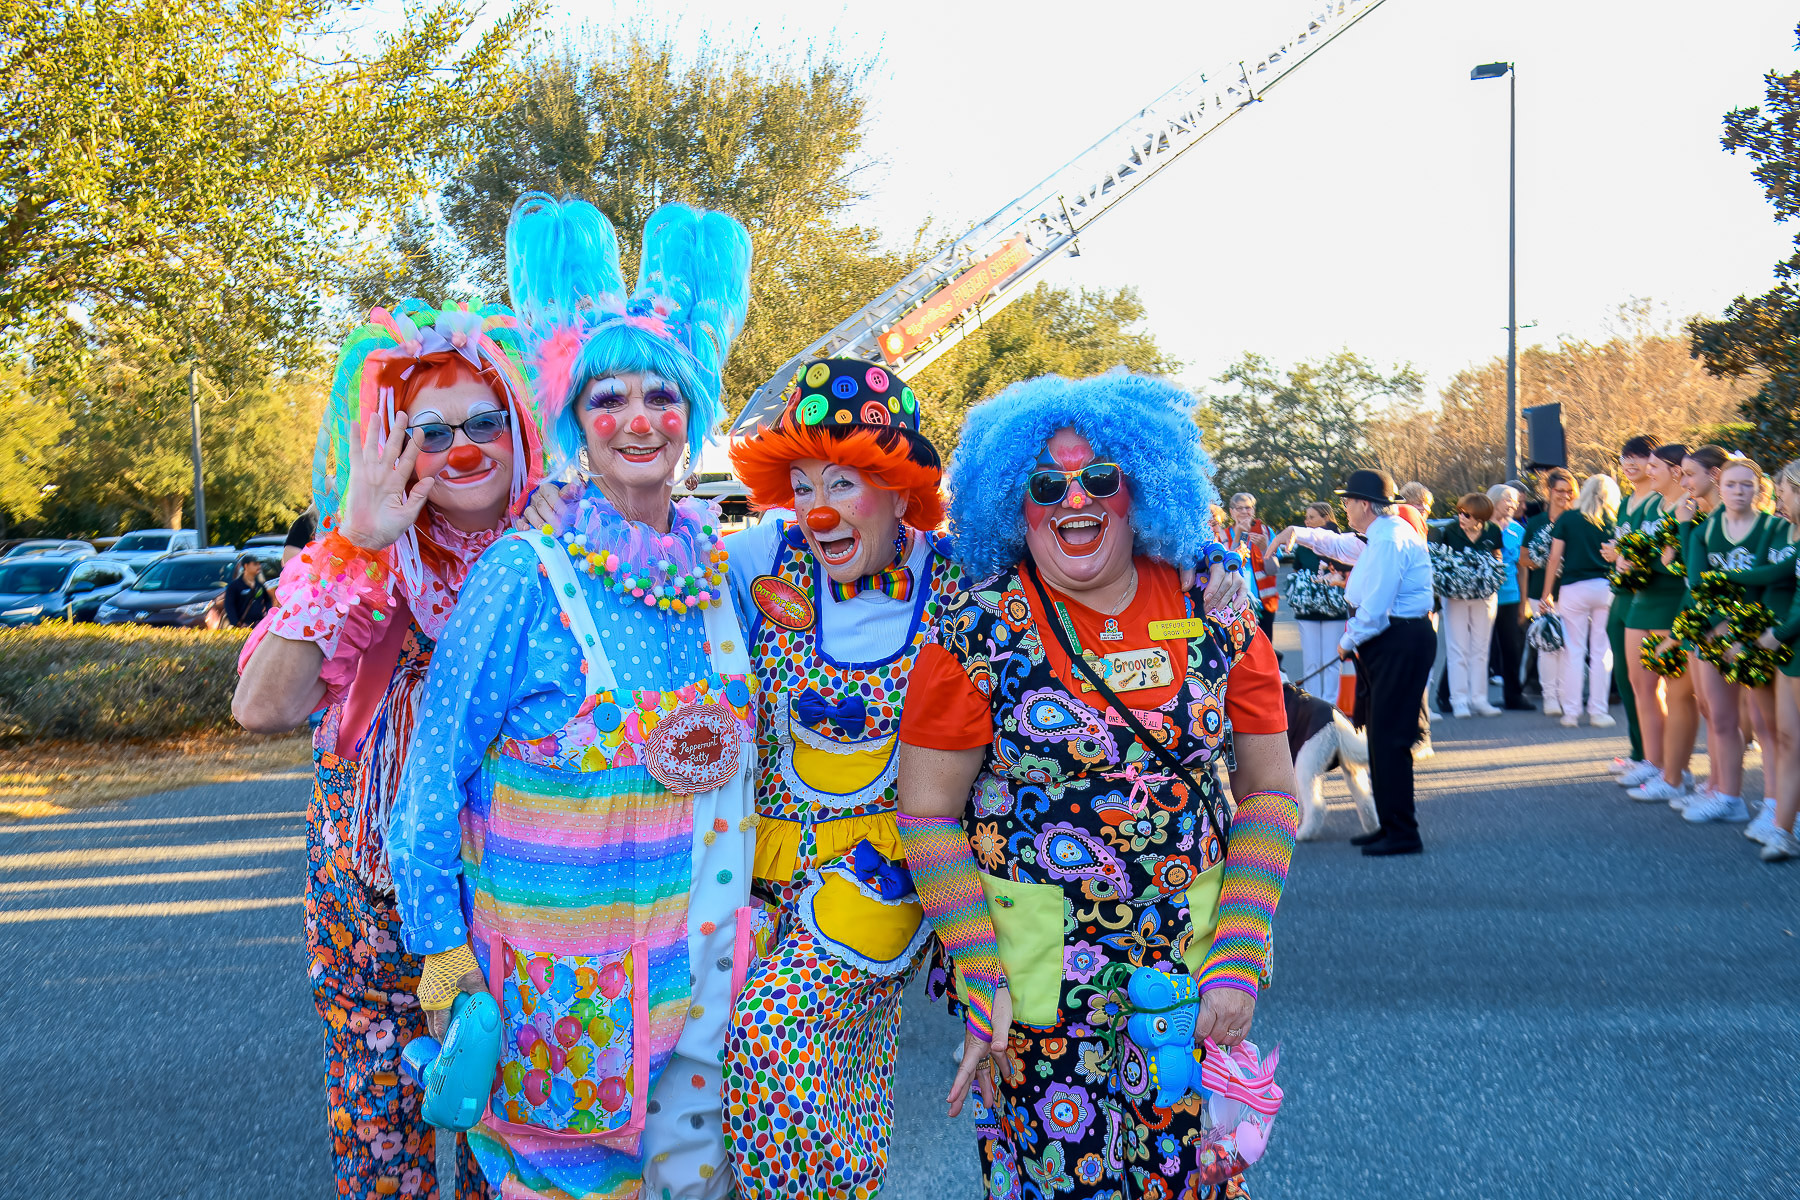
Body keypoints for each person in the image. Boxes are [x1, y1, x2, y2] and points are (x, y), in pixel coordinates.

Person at [387, 194, 754, 1200]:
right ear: (574, 422)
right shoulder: (523, 574)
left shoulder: (720, 577)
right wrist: (443, 956)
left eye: (661, 395)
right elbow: (429, 780)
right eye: (607, 398)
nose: (637, 419)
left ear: (692, 415)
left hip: (700, 1001)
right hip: (558, 1010)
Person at [894, 369, 1295, 1199]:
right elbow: (927, 815)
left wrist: (1238, 951)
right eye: (1046, 484)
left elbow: (1270, 792)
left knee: (1191, 1180)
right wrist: (979, 969)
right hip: (1037, 995)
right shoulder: (972, 631)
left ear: (1140, 487)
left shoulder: (1217, 608)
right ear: (1014, 503)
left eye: (1100, 478)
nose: (1074, 499)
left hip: (1192, 972)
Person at [232, 298, 547, 1199]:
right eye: (429, 432)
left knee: (512, 1152)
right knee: (380, 1158)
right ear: (391, 447)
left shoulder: (563, 560)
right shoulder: (362, 563)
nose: (462, 448)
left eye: (484, 422)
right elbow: (262, 707)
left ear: (522, 427)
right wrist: (357, 542)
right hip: (367, 903)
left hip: (517, 901)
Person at [1677, 456, 1785, 826]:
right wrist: (1717, 624)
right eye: (1732, 484)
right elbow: (1697, 583)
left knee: (1767, 726)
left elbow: (1776, 582)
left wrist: (1743, 630)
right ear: (1719, 487)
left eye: (1747, 485)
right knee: (1721, 719)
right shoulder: (1707, 530)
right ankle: (1729, 797)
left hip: (1758, 638)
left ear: (1759, 489)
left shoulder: (1774, 527)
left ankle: (1776, 804)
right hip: (1715, 634)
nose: (1739, 491)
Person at [1333, 469, 1435, 854]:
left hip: (1399, 638)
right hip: (1393, 639)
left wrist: (1348, 641)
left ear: (1364, 504)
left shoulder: (1390, 538)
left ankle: (1403, 832)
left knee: (1390, 739)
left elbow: (1376, 608)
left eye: (1348, 501)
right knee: (1379, 737)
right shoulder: (1381, 535)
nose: (1345, 507)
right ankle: (1390, 824)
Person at [1629, 445, 1725, 805]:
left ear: (1713, 476)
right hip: (1691, 614)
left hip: (1715, 619)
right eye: (1683, 475)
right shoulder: (1694, 513)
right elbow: (1688, 574)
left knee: (1709, 707)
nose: (1685, 482)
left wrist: (1679, 534)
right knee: (1703, 706)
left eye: (1689, 475)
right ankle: (1704, 783)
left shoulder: (1705, 517)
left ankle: (1700, 782)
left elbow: (1690, 571)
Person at [1618, 445, 1689, 792]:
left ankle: (1677, 770)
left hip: (1670, 603)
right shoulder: (1649, 505)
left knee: (1675, 693)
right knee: (1641, 686)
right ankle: (1652, 761)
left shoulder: (1688, 507)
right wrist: (1623, 558)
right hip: (1640, 600)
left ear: (1675, 471)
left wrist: (1644, 558)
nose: (1648, 470)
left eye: (1655, 466)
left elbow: (1675, 561)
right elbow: (1635, 546)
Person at [1541, 474, 1622, 728]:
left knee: (1573, 651)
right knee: (1601, 650)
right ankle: (1598, 711)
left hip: (1573, 588)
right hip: (1606, 587)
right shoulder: (1614, 520)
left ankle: (1571, 713)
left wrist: (1547, 592)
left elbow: (1554, 558)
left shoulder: (1568, 518)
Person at [1750, 459, 1800, 861]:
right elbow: (1770, 576)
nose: (1778, 500)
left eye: (1783, 493)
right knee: (1787, 739)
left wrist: (1778, 634)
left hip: (1790, 642)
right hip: (1791, 650)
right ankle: (1783, 829)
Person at [1602, 437, 1659, 765]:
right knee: (1626, 680)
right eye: (1626, 457)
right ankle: (1639, 752)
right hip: (1622, 596)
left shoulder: (1661, 501)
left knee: (1652, 685)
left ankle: (1657, 759)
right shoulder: (1625, 503)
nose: (1630, 463)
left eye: (1639, 456)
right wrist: (1615, 553)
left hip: (1652, 597)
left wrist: (1622, 553)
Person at [1435, 491, 1504, 718]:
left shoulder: (1492, 531)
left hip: (1484, 595)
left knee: (1481, 648)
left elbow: (1497, 556)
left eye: (1467, 514)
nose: (1461, 517)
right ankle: (1459, 701)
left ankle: (1479, 699)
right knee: (1457, 648)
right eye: (1460, 512)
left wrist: (1493, 571)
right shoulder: (1450, 531)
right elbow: (1441, 562)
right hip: (1455, 597)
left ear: (1480, 517)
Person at [1276, 500, 1351, 700]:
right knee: (1311, 661)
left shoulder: (1340, 543)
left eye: (1312, 517)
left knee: (1331, 660)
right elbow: (1296, 573)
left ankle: (1331, 705)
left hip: (1334, 610)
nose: (1307, 521)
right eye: (1306, 517)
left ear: (1326, 518)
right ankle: (1313, 703)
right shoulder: (1302, 547)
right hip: (1307, 611)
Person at [1521, 469, 1576, 716]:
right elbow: (1523, 559)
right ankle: (1550, 697)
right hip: (1540, 593)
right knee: (1548, 646)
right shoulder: (1536, 522)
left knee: (1568, 647)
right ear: (1549, 491)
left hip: (1571, 590)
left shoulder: (1577, 519)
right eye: (1559, 490)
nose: (1565, 495)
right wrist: (1547, 559)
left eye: (1569, 491)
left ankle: (1566, 695)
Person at [1487, 483, 1532, 710]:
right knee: (1474, 647)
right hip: (1483, 596)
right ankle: (1450, 695)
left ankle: (1514, 696)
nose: (1513, 504)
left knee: (1512, 648)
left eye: (1515, 501)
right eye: (1508, 499)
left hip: (1511, 596)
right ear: (1494, 500)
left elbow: (1522, 568)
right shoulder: (1481, 526)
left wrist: (1524, 602)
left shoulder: (1518, 530)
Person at [1226, 491, 1280, 641]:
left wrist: (1265, 549)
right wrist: (1237, 537)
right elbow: (1226, 569)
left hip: (1263, 604)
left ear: (1254, 510)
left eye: (1248, 507)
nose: (1244, 511)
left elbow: (1273, 570)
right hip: (1233, 604)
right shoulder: (1223, 535)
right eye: (1239, 508)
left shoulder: (1266, 532)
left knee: (1265, 645)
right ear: (1231, 512)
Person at [223, 554, 272, 628]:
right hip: (242, 627)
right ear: (246, 566)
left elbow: (268, 600)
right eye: (255, 564)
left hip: (258, 626)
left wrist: (268, 615)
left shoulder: (259, 585)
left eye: (259, 564)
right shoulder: (234, 586)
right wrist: (236, 623)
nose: (259, 566)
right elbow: (229, 606)